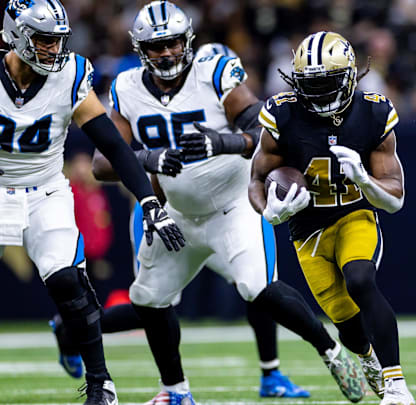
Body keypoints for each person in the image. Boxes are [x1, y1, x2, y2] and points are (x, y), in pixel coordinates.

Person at [92, 3, 366, 404]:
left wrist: (220, 142)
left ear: (186, 42)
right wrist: (148, 158)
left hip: (231, 205)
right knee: (148, 299)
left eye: (171, 43)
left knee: (257, 285)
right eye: (155, 46)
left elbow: (263, 130)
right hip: (177, 215)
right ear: (140, 49)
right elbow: (102, 163)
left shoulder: (214, 71)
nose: (165, 53)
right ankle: (176, 392)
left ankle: (332, 351)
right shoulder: (127, 86)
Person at [50, 42, 312, 398]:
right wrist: (152, 164)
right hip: (164, 213)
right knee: (153, 307)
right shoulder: (149, 94)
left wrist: (229, 144)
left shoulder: (220, 94)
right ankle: (71, 329)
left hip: (222, 212)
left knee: (257, 287)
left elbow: (258, 132)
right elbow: (111, 161)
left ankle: (271, 373)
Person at [0, 0, 185, 404]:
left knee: (68, 280)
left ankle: (101, 384)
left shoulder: (69, 74)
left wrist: (149, 201)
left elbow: (114, 146)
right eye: (44, 40)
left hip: (44, 190)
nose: (53, 49)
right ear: (16, 35)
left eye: (58, 40)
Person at [249, 31, 415, 405]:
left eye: (328, 82)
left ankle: (397, 385)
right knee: (348, 327)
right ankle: (368, 359)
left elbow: (395, 200)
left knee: (360, 279)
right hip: (306, 227)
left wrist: (364, 180)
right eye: (312, 84)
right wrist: (268, 210)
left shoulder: (373, 112)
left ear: (350, 75)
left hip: (354, 213)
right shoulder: (281, 112)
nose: (320, 92)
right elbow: (257, 178)